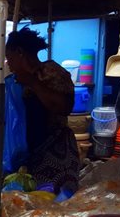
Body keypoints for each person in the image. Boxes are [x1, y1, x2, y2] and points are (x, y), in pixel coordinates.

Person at [5, 28, 79, 193]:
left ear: (20, 52)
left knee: (53, 203)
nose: (8, 63)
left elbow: (63, 107)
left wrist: (32, 82)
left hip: (56, 152)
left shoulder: (52, 72)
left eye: (9, 58)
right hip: (32, 153)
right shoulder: (17, 81)